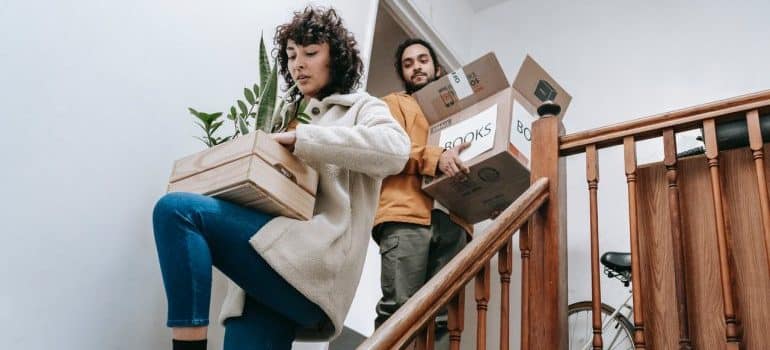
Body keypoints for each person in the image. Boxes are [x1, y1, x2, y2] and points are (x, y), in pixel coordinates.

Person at [152, 6, 410, 350]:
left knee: (177, 212)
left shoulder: (362, 108)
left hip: (309, 265)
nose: (297, 64)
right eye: (290, 55)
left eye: (311, 53)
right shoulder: (283, 114)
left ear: (337, 57)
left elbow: (396, 150)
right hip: (263, 274)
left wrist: (306, 139)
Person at [372, 38, 473, 348]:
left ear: (436, 67)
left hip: (454, 221)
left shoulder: (463, 112)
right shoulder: (392, 104)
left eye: (422, 60)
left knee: (443, 319)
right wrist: (435, 157)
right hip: (405, 216)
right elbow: (388, 150)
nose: (416, 66)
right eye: (408, 63)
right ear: (403, 74)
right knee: (398, 311)